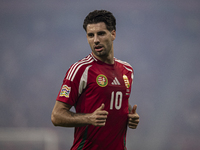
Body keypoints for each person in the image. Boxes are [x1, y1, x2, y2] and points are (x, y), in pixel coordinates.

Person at [51, 10, 140, 150]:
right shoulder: (81, 69)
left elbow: (119, 101)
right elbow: (56, 116)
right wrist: (89, 118)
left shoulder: (127, 70)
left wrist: (129, 117)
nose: (95, 40)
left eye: (101, 33)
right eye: (90, 35)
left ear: (113, 34)